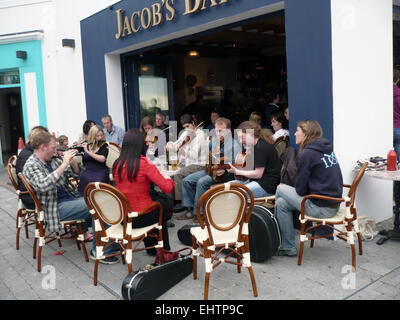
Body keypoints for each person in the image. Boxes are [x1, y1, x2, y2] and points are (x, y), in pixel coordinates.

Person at [22, 131, 118, 262]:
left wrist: (72, 163)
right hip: (54, 208)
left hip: (69, 198)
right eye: (53, 148)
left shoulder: (51, 160)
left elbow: (76, 175)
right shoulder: (31, 165)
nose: (56, 150)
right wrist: (63, 164)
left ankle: (110, 243)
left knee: (103, 198)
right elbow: (43, 185)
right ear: (43, 147)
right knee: (97, 205)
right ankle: (100, 250)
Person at [274, 120, 343, 257]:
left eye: (297, 130)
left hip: (321, 207)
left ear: (306, 134)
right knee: (281, 203)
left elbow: (300, 191)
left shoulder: (307, 154)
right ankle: (288, 247)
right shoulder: (326, 149)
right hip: (332, 203)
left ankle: (275, 238)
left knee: (280, 188)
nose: (294, 133)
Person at [113, 129, 174, 253]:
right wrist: (167, 176)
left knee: (154, 200)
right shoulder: (144, 163)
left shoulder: (116, 164)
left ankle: (151, 248)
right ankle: (164, 250)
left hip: (123, 218)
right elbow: (167, 188)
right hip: (140, 217)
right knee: (162, 205)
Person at [180, 117, 241, 219]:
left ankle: (199, 214)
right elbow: (209, 157)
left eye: (221, 131)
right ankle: (189, 210)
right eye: (216, 130)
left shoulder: (235, 145)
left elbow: (236, 164)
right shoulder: (214, 142)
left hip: (228, 174)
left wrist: (224, 169)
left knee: (202, 182)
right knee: (187, 180)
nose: (218, 133)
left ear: (229, 130)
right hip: (213, 170)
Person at [166, 114, 207, 219]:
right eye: (184, 127)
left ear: (193, 123)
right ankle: (172, 203)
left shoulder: (200, 135)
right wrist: (170, 144)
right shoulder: (186, 133)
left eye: (188, 126)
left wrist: (185, 147)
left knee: (179, 174)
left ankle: (182, 203)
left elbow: (193, 155)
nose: (187, 129)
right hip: (187, 163)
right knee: (170, 174)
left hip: (199, 164)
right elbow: (176, 144)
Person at [226, 121, 281, 199]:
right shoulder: (256, 146)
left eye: (242, 137)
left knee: (235, 194)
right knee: (227, 187)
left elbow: (258, 174)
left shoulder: (261, 147)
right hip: (257, 181)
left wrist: (237, 171)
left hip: (267, 185)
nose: (241, 141)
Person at [16, 126, 49, 210]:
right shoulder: (28, 156)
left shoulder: (30, 151)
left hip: (34, 194)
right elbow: (41, 183)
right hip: (33, 198)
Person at [77, 125, 109, 194]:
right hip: (88, 171)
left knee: (97, 181)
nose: (100, 138)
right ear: (92, 136)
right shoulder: (87, 144)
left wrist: (88, 152)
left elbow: (102, 159)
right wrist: (74, 150)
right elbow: (82, 157)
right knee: (84, 178)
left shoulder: (104, 145)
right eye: (97, 136)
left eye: (101, 135)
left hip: (100, 170)